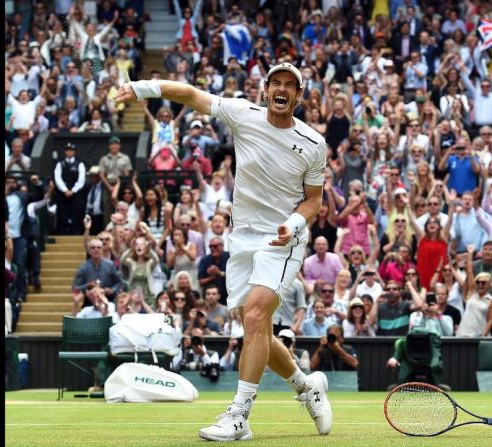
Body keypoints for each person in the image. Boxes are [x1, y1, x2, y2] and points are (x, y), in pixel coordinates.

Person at [117, 63, 332, 441]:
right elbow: (189, 94)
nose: (282, 90)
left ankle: (239, 416)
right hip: (243, 238)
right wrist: (141, 88)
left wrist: (295, 225)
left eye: (290, 86)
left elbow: (313, 200)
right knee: (257, 327)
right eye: (276, 83)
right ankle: (306, 386)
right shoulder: (241, 113)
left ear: (299, 96)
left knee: (254, 317)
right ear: (265, 90)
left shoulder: (314, 143)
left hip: (284, 240)